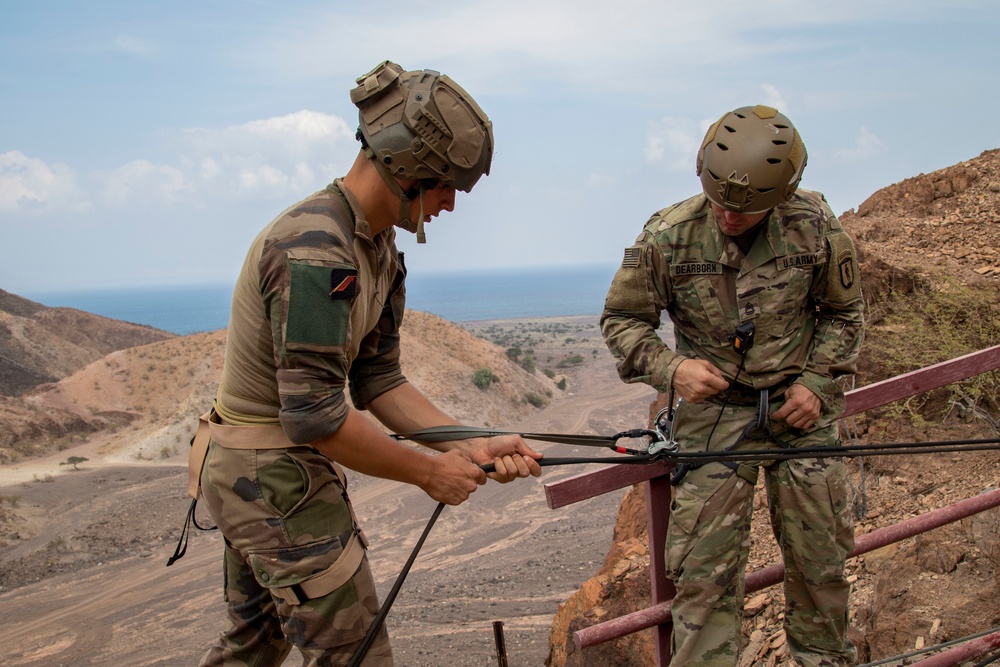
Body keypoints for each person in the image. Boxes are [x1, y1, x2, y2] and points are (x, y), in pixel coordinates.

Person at [195, 60, 542, 667]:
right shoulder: (316, 252)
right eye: (445, 187)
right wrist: (428, 472)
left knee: (252, 651)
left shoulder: (377, 247)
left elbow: (379, 380)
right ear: (408, 168)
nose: (450, 206)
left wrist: (471, 443)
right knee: (355, 655)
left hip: (260, 471)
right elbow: (317, 419)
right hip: (269, 476)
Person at [601, 105, 864, 666]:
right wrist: (672, 370)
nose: (729, 217)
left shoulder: (814, 223)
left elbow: (845, 313)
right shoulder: (668, 236)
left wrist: (817, 382)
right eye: (720, 203)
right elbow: (621, 321)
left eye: (747, 210)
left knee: (821, 565)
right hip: (715, 418)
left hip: (801, 414)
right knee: (705, 577)